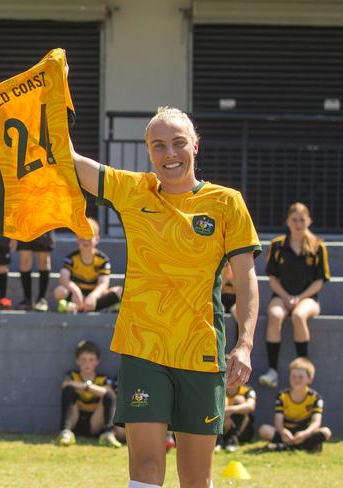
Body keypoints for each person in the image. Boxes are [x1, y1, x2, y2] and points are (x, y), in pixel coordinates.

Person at [71, 106, 260, 488]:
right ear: (148, 152)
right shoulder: (133, 190)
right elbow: (73, 162)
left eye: (178, 143)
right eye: (159, 146)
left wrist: (245, 344)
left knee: (195, 478)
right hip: (145, 348)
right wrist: (54, 100)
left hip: (200, 352)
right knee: (145, 470)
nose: (169, 154)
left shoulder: (227, 203)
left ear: (195, 146)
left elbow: (246, 278)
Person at [258, 202, 330, 388]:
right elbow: (273, 279)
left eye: (302, 219)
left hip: (308, 299)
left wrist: (299, 298)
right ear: (288, 221)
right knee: (275, 315)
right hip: (281, 296)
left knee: (299, 315)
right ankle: (272, 370)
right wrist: (287, 297)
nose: (298, 223)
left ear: (309, 221)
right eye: (294, 219)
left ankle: (303, 369)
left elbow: (319, 281)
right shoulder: (277, 245)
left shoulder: (318, 246)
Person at [258, 357, 331, 453]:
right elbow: (278, 421)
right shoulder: (282, 396)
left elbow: (316, 422)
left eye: (301, 377)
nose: (296, 380)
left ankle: (285, 447)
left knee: (326, 432)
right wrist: (283, 432)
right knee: (263, 430)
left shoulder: (316, 398)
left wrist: (304, 434)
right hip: (287, 434)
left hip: (305, 433)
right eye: (293, 376)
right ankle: (301, 446)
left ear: (310, 379)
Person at [58, 340, 121, 448]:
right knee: (69, 390)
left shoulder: (103, 379)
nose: (87, 364)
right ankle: (66, 432)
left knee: (109, 396)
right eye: (84, 360)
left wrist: (87, 386)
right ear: (77, 361)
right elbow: (65, 385)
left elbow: (109, 392)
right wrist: (86, 386)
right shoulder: (72, 376)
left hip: (94, 423)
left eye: (91, 360)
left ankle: (109, 434)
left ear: (97, 362)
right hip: (75, 419)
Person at [53, 217, 122, 313]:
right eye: (82, 237)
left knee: (119, 291)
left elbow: (103, 284)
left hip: (94, 296)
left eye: (89, 237)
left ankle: (79, 307)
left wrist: (93, 296)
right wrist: (75, 291)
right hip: (76, 296)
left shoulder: (102, 260)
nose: (85, 241)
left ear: (97, 239)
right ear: (77, 238)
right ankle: (77, 306)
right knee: (59, 291)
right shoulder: (71, 258)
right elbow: (63, 278)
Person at [16, 231, 55, 311]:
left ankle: (41, 300)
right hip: (24, 225)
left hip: (43, 223)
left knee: (44, 263)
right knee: (24, 263)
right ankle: (27, 300)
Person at [215, 383, 256, 452]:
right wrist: (226, 417)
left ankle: (232, 439)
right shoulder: (219, 388)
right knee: (224, 401)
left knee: (239, 399)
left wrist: (230, 410)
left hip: (244, 431)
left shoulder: (247, 390)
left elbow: (251, 407)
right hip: (224, 427)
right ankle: (221, 440)